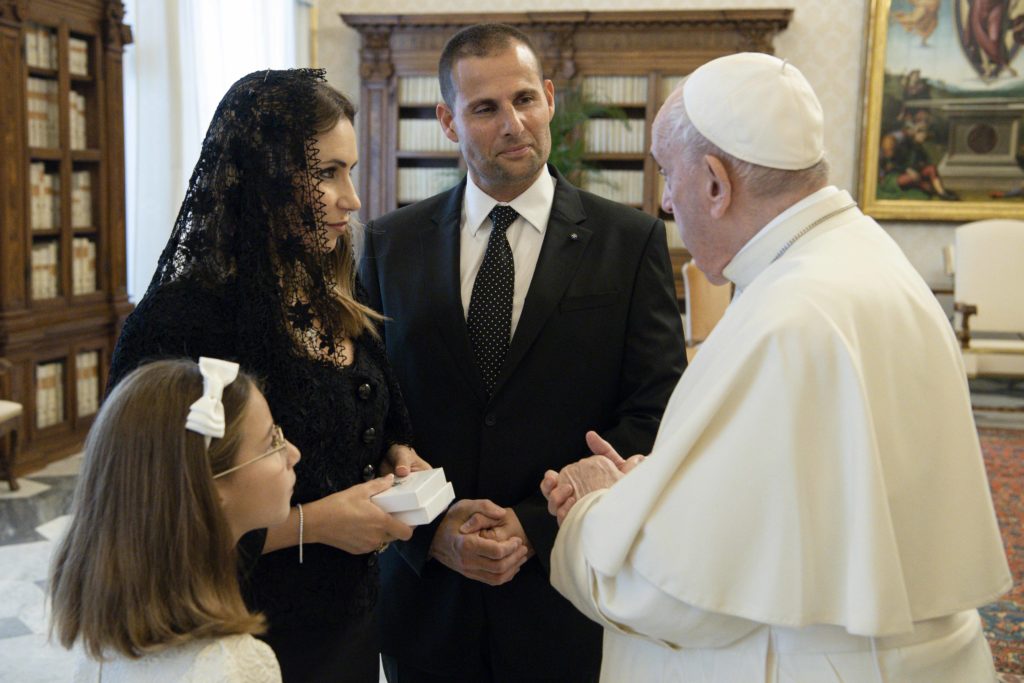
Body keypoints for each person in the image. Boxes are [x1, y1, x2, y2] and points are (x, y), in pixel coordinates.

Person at [540, 52, 1012, 682]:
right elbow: (796, 491)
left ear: (714, 181)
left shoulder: (789, 316)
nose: (668, 204)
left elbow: (684, 589)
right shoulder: (863, 256)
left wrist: (597, 510)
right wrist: (657, 487)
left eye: (668, 176)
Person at [359, 23, 686, 683]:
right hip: (427, 600)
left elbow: (658, 406)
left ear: (550, 98)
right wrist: (431, 527)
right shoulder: (391, 245)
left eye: (525, 99)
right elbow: (367, 409)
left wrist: (536, 524)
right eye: (485, 108)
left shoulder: (629, 241)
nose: (513, 123)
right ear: (449, 121)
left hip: (565, 591)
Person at [107, 69, 427, 682]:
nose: (352, 198)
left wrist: (395, 453)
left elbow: (371, 414)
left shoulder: (329, 288)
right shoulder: (183, 319)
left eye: (351, 171)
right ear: (268, 176)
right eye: (328, 173)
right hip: (241, 633)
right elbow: (151, 516)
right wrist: (318, 523)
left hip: (351, 617)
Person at [50, 357, 298, 681]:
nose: (293, 453)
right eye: (272, 442)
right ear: (211, 486)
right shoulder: (236, 666)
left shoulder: (104, 648)